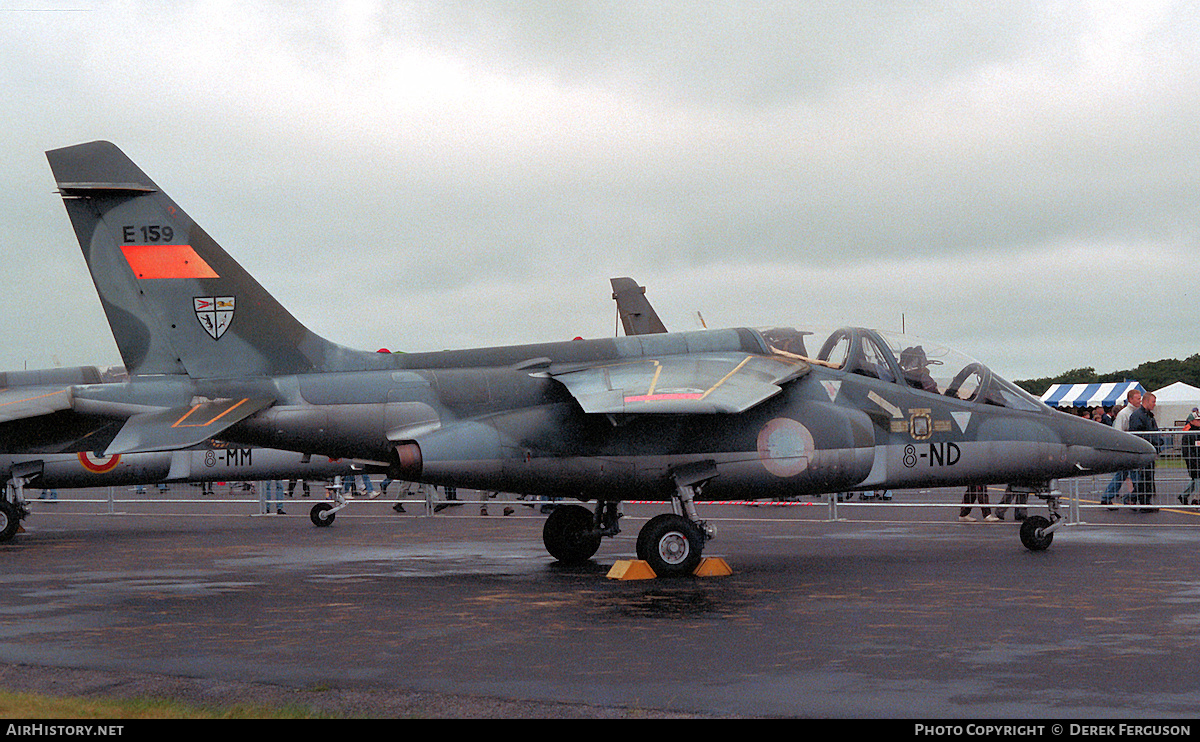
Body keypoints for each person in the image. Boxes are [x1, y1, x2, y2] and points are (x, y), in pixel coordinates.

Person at [1102, 388, 1142, 507]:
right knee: (1134, 475)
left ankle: (1107, 496)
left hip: (1131, 448)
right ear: (1130, 399)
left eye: (1140, 398)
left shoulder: (1137, 412)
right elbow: (1118, 432)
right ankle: (1131, 498)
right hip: (1126, 449)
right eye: (1138, 398)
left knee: (1122, 474)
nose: (1140, 401)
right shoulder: (1124, 414)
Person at [1128, 391, 1163, 512]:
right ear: (1146, 401)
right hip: (1143, 451)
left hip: (1151, 450)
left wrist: (1159, 441)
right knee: (1144, 477)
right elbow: (1137, 433)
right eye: (1153, 402)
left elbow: (1155, 431)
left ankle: (1141, 500)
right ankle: (1142, 502)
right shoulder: (1137, 416)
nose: (1154, 404)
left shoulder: (1149, 415)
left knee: (1148, 477)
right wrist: (1152, 441)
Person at [1180, 410, 1200, 505]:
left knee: (1195, 480)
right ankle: (1196, 498)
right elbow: (1186, 450)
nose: (1199, 422)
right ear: (1191, 421)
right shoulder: (1188, 433)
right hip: (1193, 461)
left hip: (1198, 459)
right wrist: (1192, 460)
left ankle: (1184, 495)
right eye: (1197, 420)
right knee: (1197, 479)